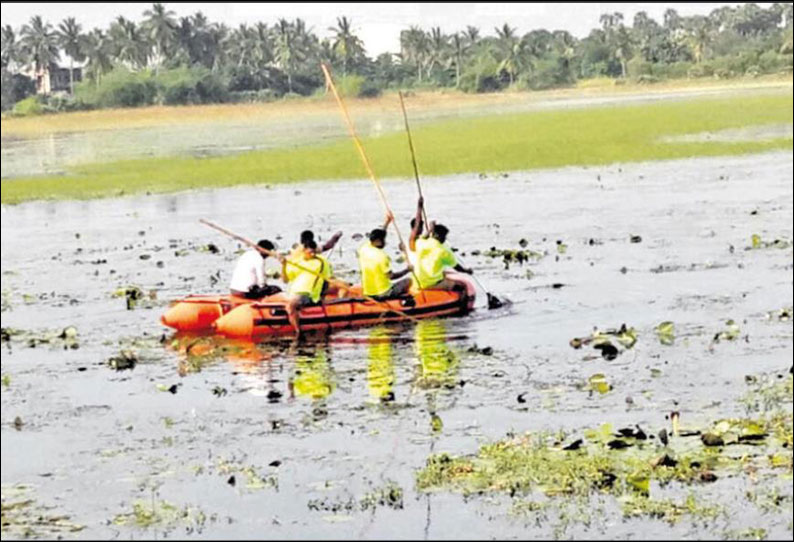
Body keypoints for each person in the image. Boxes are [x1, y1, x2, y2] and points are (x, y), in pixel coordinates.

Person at [282, 239, 332, 336]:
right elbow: (285, 280)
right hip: (294, 293)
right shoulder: (297, 262)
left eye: (314, 252)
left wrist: (322, 297)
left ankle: (298, 332)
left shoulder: (321, 261)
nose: (312, 254)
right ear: (304, 251)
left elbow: (326, 280)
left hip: (309, 294)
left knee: (290, 306)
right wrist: (284, 265)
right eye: (310, 252)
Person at [357, 213, 413, 301]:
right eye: (384, 240)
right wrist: (407, 270)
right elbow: (391, 276)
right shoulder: (381, 256)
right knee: (408, 281)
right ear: (378, 241)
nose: (385, 242)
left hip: (368, 292)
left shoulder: (364, 248)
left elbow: (381, 234)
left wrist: (387, 223)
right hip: (383, 293)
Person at [412, 218, 473, 291]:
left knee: (443, 273)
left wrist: (430, 229)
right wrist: (467, 271)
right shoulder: (444, 251)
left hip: (417, 282)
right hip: (431, 283)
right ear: (438, 236)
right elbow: (457, 267)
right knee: (462, 287)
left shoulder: (420, 242)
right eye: (444, 236)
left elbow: (423, 237)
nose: (445, 239)